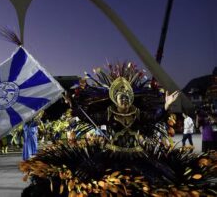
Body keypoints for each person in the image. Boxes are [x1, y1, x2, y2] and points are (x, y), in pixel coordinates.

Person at [20, 62, 217, 196]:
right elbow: (89, 117)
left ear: (130, 98)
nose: (123, 98)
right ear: (116, 99)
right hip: (112, 152)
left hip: (136, 153)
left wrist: (165, 106)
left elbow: (154, 117)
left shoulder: (138, 114)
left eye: (126, 96)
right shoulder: (109, 114)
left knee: (163, 175)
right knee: (83, 171)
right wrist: (73, 105)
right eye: (120, 96)